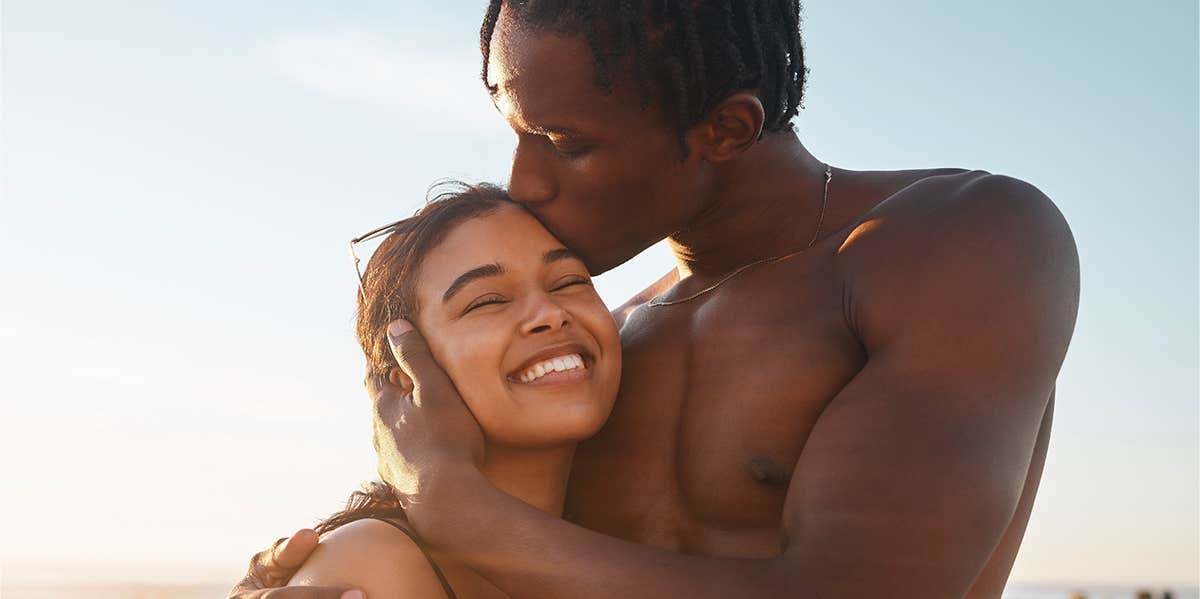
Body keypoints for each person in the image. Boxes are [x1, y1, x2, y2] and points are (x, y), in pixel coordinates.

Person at [232, 2, 1079, 598]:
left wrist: (465, 518)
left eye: (565, 143)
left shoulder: (958, 242)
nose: (524, 181)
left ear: (726, 130)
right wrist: (323, 569)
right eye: (517, 131)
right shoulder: (602, 343)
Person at [284, 182, 623, 598]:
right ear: (406, 376)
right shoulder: (372, 565)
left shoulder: (624, 538)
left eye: (569, 282)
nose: (550, 314)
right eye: (487, 301)